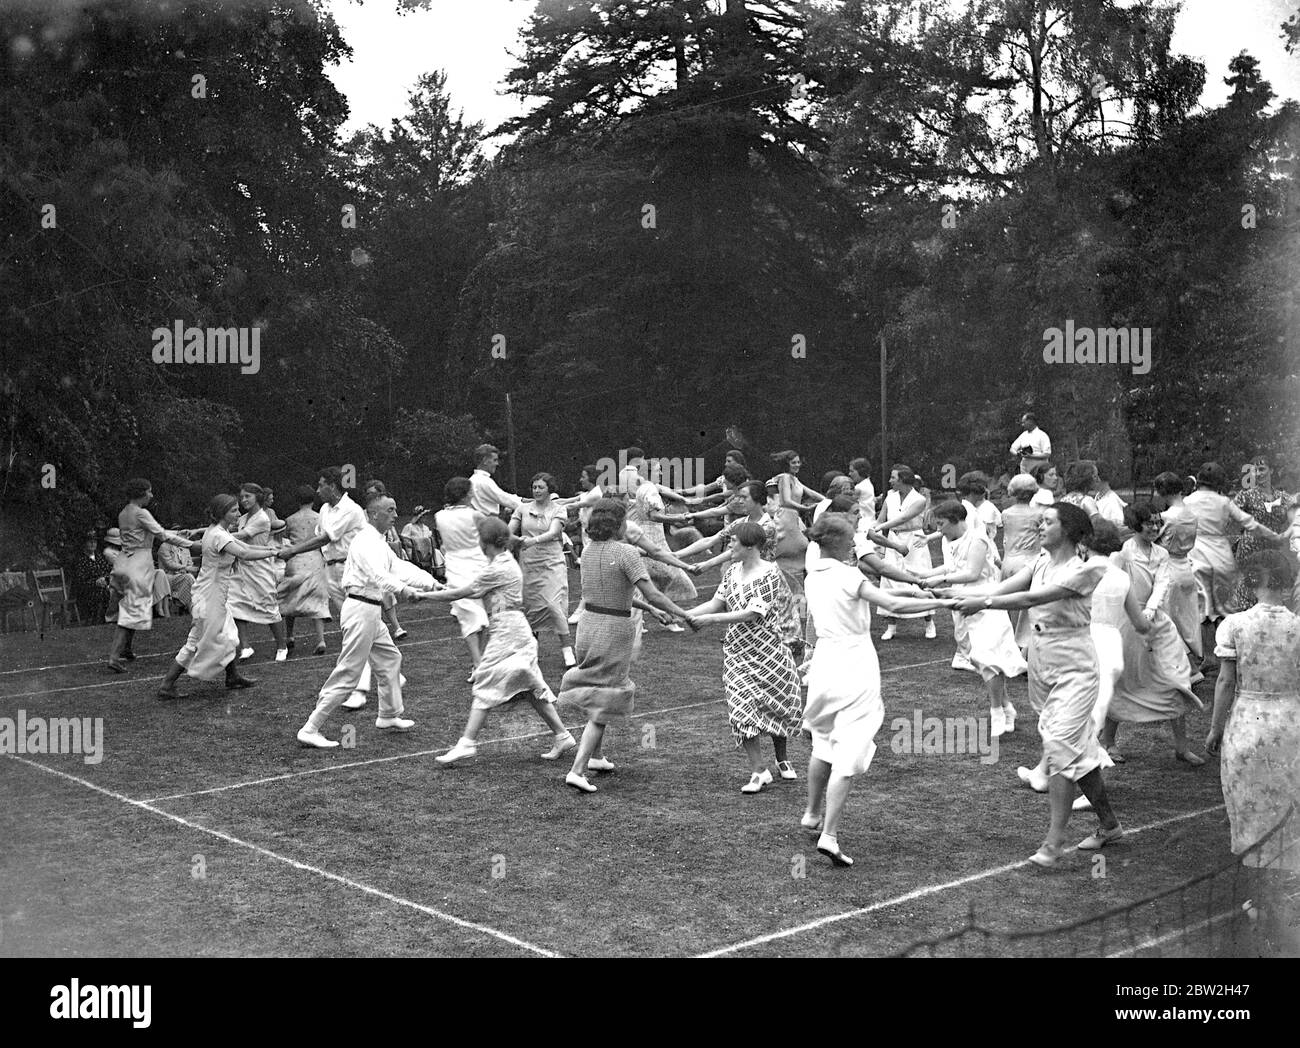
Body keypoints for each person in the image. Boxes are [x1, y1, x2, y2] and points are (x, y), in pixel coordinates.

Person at [952, 505, 1120, 867]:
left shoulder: (1087, 568)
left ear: (1069, 528)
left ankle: (1054, 844)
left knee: (1060, 746)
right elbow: (1013, 586)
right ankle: (1109, 824)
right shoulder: (1042, 558)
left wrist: (982, 602)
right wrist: (971, 597)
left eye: (1048, 521)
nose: (1040, 526)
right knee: (1074, 747)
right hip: (1041, 660)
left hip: (1075, 665)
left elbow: (1031, 599)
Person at [800, 515, 954, 867]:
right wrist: (943, 604)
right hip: (854, 663)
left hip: (825, 663)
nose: (855, 545)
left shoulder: (814, 576)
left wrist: (917, 590)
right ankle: (830, 834)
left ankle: (811, 813)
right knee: (850, 748)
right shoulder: (850, 575)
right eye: (851, 540)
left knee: (824, 739)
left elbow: (882, 595)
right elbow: (892, 605)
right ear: (838, 542)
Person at [558, 499, 697, 793]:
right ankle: (578, 769)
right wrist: (683, 613)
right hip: (614, 631)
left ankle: (595, 757)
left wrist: (650, 609)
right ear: (619, 525)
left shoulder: (589, 550)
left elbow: (609, 593)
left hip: (588, 626)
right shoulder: (627, 553)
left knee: (599, 689)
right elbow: (653, 593)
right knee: (608, 695)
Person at [1205, 552, 1300, 938]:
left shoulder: (1234, 625)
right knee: (1285, 806)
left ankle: (1258, 897)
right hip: (1291, 722)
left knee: (1247, 808)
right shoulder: (1298, 627)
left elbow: (1226, 683)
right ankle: (1275, 897)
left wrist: (1214, 730)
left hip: (1248, 722)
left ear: (1253, 580)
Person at [296, 492, 438, 749]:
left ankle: (388, 715)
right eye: (390, 510)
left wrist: (432, 583)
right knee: (349, 673)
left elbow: (399, 568)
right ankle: (310, 728)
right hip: (360, 610)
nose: (396, 515)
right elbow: (378, 575)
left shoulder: (378, 541)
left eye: (395, 510)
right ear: (373, 515)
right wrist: (404, 591)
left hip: (370, 611)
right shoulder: (364, 541)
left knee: (390, 659)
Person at [431, 517, 577, 766]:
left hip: (509, 631)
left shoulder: (499, 566)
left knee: (485, 678)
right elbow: (473, 588)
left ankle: (467, 743)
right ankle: (562, 735)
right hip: (510, 628)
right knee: (529, 686)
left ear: (485, 542)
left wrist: (421, 594)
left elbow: (464, 592)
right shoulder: (503, 561)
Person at [688, 522, 803, 792]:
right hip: (737, 652)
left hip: (769, 651)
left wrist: (709, 620)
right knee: (741, 709)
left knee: (777, 705)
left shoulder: (770, 574)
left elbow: (753, 613)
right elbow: (717, 602)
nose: (728, 546)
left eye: (733, 542)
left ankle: (782, 758)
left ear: (750, 546)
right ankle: (759, 770)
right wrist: (687, 614)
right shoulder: (731, 573)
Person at [1100, 503, 1205, 765]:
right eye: (1150, 523)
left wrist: (1149, 610)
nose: (1156, 528)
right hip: (1128, 623)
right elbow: (1114, 584)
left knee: (1176, 678)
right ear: (1136, 525)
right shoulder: (1122, 552)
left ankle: (1182, 747)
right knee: (1124, 680)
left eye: (1158, 523)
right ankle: (1108, 742)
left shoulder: (1161, 552)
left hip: (1156, 622)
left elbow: (1162, 583)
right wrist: (1137, 614)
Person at [156, 495, 280, 699]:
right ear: (222, 513)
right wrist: (274, 553)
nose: (239, 514)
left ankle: (232, 677)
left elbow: (247, 548)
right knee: (195, 641)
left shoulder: (217, 532)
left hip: (215, 593)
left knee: (230, 635)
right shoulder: (219, 536)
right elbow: (245, 553)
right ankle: (167, 685)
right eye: (234, 511)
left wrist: (272, 549)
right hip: (209, 595)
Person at [922, 502, 1025, 736]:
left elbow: (972, 573)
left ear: (956, 520)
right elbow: (948, 568)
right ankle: (1007, 707)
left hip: (987, 600)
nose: (939, 529)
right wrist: (922, 575)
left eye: (942, 524)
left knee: (986, 657)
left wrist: (940, 581)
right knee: (983, 661)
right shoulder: (947, 540)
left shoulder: (978, 539)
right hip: (961, 602)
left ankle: (997, 711)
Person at [277, 467, 371, 709]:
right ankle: (391, 672)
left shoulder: (350, 509)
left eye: (321, 486)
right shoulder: (327, 510)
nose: (317, 491)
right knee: (368, 629)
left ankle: (359, 689)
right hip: (332, 570)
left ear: (332, 485)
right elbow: (321, 536)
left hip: (354, 571)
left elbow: (324, 538)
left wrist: (292, 551)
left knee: (355, 629)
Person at [1186, 462, 1279, 669]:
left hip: (1198, 553)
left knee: (1204, 607)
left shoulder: (1188, 501)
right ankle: (1233, 651)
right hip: (1221, 554)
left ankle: (1209, 656)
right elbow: (1250, 523)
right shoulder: (1224, 502)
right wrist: (1275, 536)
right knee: (1225, 605)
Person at [106, 478, 193, 672]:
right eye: (149, 492)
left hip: (123, 563)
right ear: (142, 494)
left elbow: (150, 531)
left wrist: (182, 533)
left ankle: (126, 649)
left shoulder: (124, 513)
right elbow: (161, 535)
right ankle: (114, 657)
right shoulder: (141, 512)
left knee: (129, 607)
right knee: (132, 610)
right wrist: (190, 543)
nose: (151, 495)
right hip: (137, 564)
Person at [510, 471, 577, 667]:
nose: (536, 490)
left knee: (553, 604)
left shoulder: (559, 509)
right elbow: (508, 530)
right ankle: (531, 652)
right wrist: (515, 539)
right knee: (532, 608)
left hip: (551, 562)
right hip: (529, 563)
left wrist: (532, 540)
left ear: (550, 490)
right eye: (534, 487)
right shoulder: (522, 509)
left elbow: (555, 531)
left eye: (541, 487)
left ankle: (567, 651)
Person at [626, 462, 697, 632]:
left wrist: (682, 500)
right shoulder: (649, 489)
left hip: (649, 536)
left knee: (652, 581)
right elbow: (654, 515)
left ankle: (657, 618)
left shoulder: (646, 487)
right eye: (658, 470)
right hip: (651, 538)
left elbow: (664, 494)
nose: (661, 473)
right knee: (669, 576)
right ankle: (658, 618)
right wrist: (678, 518)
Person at [227, 482, 289, 662]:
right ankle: (245, 646)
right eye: (242, 496)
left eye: (248, 496)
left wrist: (212, 535)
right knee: (235, 605)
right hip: (241, 567)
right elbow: (233, 533)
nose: (243, 500)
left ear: (257, 497)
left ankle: (281, 646)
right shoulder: (243, 517)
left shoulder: (262, 518)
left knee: (269, 607)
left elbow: (242, 536)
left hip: (260, 567)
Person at [435, 477, 490, 675]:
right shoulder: (476, 515)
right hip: (473, 565)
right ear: (466, 494)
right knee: (474, 616)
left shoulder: (439, 516)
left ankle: (478, 663)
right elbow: (491, 536)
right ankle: (478, 663)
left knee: (474, 617)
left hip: (461, 567)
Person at [874, 465, 936, 640]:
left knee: (920, 579)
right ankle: (891, 626)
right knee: (889, 581)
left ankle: (929, 622)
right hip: (894, 540)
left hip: (915, 541)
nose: (890, 480)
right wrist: (872, 530)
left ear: (902, 480)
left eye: (893, 477)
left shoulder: (920, 499)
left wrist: (879, 527)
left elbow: (902, 518)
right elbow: (881, 518)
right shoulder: (890, 497)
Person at [1228, 455, 1293, 613]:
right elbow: (1228, 514)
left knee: (1272, 591)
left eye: (1262, 469)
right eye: (1255, 470)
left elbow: (1296, 519)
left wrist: (1285, 535)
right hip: (1250, 552)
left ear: (1271, 470)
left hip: (1273, 553)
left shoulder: (1283, 498)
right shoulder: (1246, 496)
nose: (1258, 473)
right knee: (1249, 591)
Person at [1154, 471, 1201, 672]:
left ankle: (1188, 668)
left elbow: (1155, 542)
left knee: (1168, 619)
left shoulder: (1167, 517)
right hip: (1185, 567)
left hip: (1169, 567)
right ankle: (1194, 661)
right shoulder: (1191, 514)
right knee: (1187, 620)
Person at [279, 485, 330, 656]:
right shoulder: (319, 518)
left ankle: (289, 636)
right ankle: (321, 639)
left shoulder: (290, 520)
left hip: (296, 560)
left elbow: (285, 540)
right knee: (317, 599)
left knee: (291, 596)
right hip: (314, 558)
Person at [1000, 473, 1044, 651]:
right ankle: (1022, 647)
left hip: (1009, 560)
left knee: (1009, 606)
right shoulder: (1038, 514)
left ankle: (1011, 645)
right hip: (1028, 561)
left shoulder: (1006, 513)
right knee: (1026, 610)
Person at [67, 533, 113, 623]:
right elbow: (79, 581)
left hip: (102, 587)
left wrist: (105, 579)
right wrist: (95, 582)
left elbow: (109, 571)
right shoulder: (79, 560)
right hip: (85, 592)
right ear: (84, 543)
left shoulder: (99, 557)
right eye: (90, 541)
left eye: (95, 541)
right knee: (103, 592)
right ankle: (100, 619)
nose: (93, 543)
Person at [469, 443, 522, 518]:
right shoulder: (484, 481)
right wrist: (531, 506)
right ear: (485, 461)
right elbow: (505, 499)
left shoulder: (472, 480)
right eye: (495, 460)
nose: (497, 464)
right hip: (488, 524)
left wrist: (524, 500)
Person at [157, 527, 197, 613]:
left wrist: (188, 569)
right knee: (189, 578)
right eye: (184, 535)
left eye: (187, 536)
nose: (186, 538)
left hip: (181, 576)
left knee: (189, 577)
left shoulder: (185, 549)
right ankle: (191, 608)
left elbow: (190, 563)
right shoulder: (164, 546)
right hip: (167, 577)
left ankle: (189, 606)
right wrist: (184, 568)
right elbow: (169, 564)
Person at [848, 457, 877, 544]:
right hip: (870, 521)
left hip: (862, 523)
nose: (849, 474)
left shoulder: (859, 488)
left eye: (852, 471)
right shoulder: (868, 484)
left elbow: (846, 502)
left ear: (861, 471)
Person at [400, 505, 436, 573]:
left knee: (436, 552)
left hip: (427, 551)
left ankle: (436, 569)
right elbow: (404, 540)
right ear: (418, 517)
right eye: (423, 516)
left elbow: (429, 539)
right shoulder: (410, 527)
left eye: (425, 516)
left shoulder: (426, 528)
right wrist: (414, 544)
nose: (425, 518)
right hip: (415, 552)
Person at [1092, 461, 1128, 531]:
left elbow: (1117, 526)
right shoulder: (1099, 495)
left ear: (1098, 479)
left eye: (1093, 477)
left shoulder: (1111, 502)